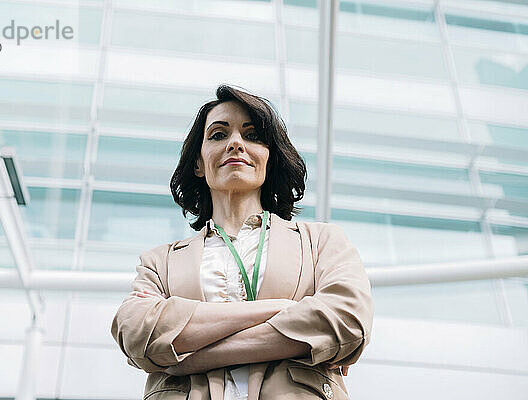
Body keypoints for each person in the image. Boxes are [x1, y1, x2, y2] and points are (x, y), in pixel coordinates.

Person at [111, 85, 373, 400]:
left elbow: (346, 321)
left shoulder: (321, 242)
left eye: (252, 136)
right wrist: (282, 309)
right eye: (219, 135)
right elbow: (137, 333)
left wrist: (184, 357)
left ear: (269, 158)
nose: (236, 143)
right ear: (199, 163)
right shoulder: (159, 262)